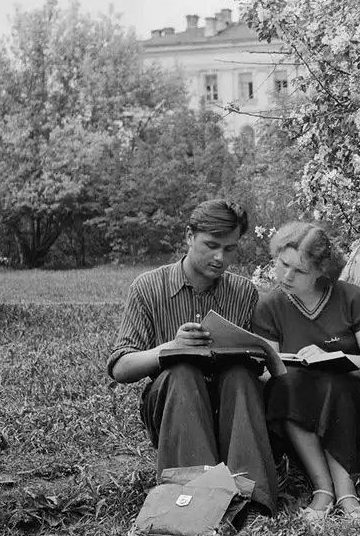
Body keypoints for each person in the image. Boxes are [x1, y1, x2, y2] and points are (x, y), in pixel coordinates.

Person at [107, 199, 278, 518]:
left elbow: (259, 363)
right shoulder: (148, 287)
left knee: (240, 374)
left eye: (230, 249)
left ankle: (251, 500)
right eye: (211, 246)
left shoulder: (243, 292)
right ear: (189, 236)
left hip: (231, 409)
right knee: (183, 370)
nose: (220, 258)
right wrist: (170, 347)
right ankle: (190, 502)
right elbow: (120, 367)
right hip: (174, 405)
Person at [251, 221, 360, 520]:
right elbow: (267, 372)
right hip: (296, 410)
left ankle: (346, 492)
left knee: (333, 384)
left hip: (355, 408)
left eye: (300, 271)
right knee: (289, 382)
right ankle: (323, 489)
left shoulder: (351, 297)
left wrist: (334, 358)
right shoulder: (269, 306)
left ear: (320, 271)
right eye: (283, 264)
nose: (287, 276)